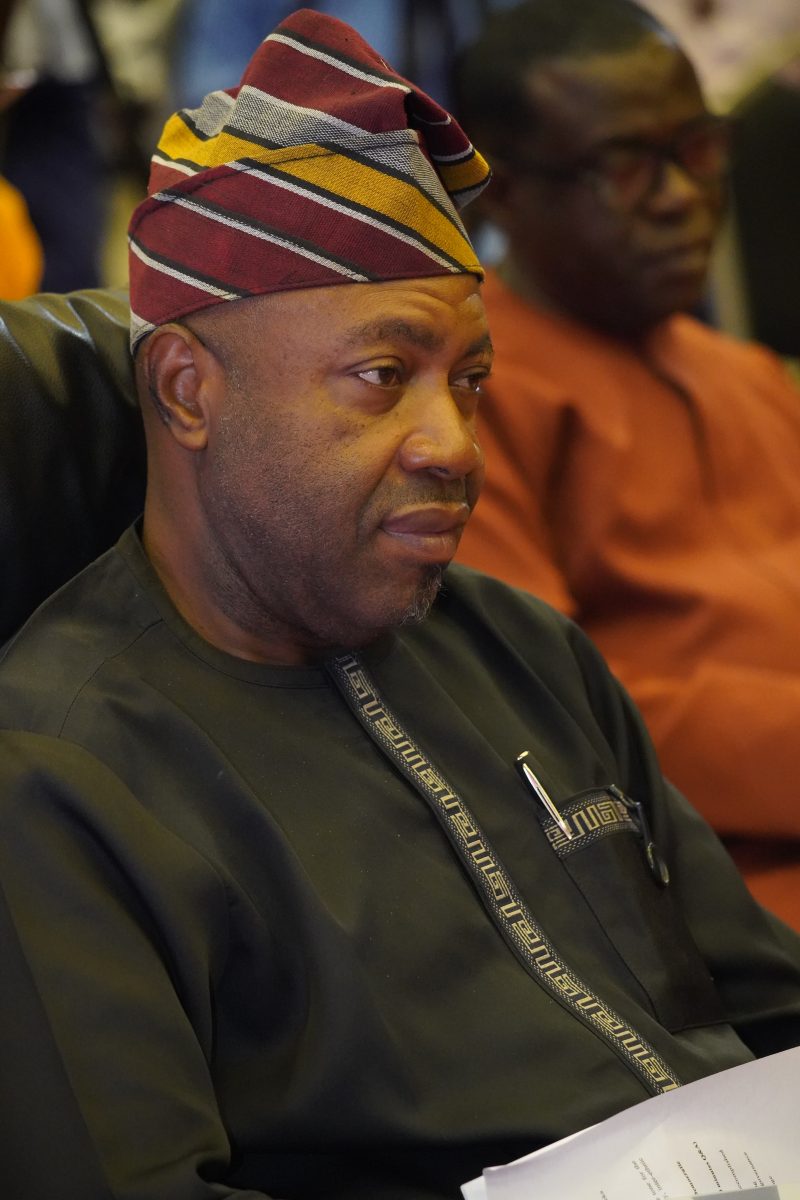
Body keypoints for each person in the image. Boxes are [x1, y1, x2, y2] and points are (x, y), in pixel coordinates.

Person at [1, 8, 800, 1199]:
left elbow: (770, 1013)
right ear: (187, 391)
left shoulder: (518, 646)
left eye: (468, 381)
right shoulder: (58, 780)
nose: (453, 443)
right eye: (382, 377)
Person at [453, 0, 800, 929]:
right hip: (704, 900)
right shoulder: (464, 401)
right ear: (502, 191)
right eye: (625, 166)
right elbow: (544, 719)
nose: (683, 195)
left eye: (698, 148)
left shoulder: (745, 373)